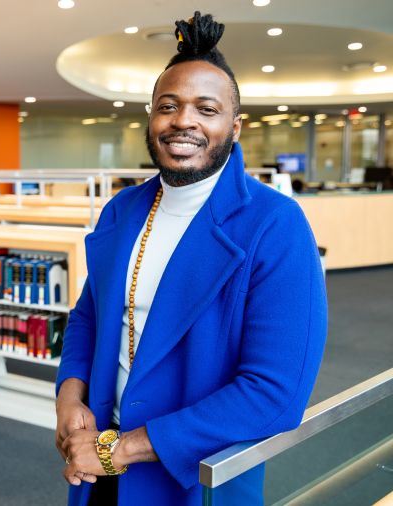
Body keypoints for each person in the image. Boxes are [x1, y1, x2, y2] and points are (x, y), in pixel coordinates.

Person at [55, 12, 328, 506]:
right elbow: (89, 316)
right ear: (152, 117)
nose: (184, 121)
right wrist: (69, 394)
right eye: (168, 106)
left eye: (207, 108)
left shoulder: (275, 225)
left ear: (235, 125)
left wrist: (126, 448)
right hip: (95, 465)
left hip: (189, 477)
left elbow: (275, 393)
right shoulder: (122, 209)